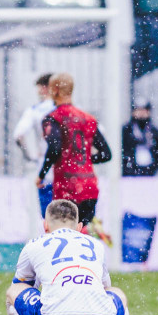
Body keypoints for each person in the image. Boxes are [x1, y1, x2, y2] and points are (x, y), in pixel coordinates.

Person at [5, 199, 129, 315]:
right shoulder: (95, 244)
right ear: (79, 227)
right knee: (118, 293)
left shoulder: (34, 244)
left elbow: (24, 287)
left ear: (45, 225)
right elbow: (104, 289)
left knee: (13, 291)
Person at [36, 73, 113, 245]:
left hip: (67, 186)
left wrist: (41, 175)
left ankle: (67, 264)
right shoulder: (89, 118)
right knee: (80, 232)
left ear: (54, 91)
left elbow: (54, 148)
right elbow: (107, 154)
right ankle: (88, 237)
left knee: (61, 234)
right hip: (89, 186)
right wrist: (84, 159)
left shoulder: (53, 118)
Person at [12, 73, 55, 217]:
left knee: (50, 216)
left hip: (46, 169)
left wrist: (30, 156)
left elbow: (18, 135)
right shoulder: (73, 109)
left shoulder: (35, 111)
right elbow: (98, 132)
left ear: (44, 88)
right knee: (74, 217)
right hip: (71, 170)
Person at [121, 102, 158, 176]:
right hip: (128, 175)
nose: (141, 113)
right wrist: (128, 166)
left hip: (149, 173)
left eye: (144, 110)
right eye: (138, 110)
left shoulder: (154, 132)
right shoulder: (125, 131)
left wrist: (153, 167)